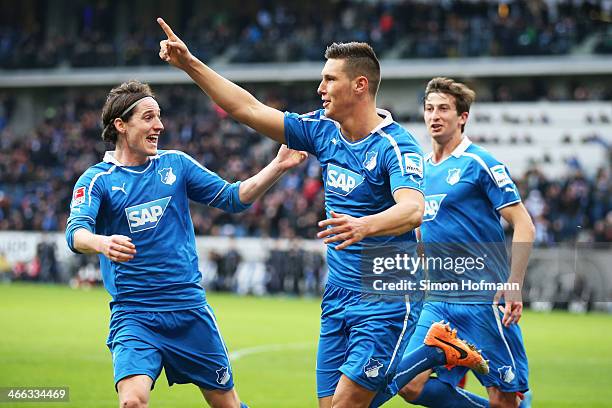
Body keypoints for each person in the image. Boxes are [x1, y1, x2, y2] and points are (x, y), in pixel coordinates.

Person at [157, 18, 486, 408]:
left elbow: (413, 210)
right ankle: (431, 351)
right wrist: (190, 63)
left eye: (330, 79)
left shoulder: (396, 147)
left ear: (359, 86)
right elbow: (247, 109)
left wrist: (364, 225)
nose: (320, 88)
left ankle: (430, 353)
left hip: (387, 292)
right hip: (339, 293)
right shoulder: (322, 130)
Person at [64, 80, 308, 408]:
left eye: (159, 117)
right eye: (148, 117)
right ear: (121, 125)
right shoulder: (98, 179)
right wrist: (101, 242)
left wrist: (278, 165)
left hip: (189, 310)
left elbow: (232, 197)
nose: (159, 125)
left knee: (228, 405)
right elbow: (75, 232)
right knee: (132, 402)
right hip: (135, 313)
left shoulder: (175, 165)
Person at [371, 77, 535, 408]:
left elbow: (524, 225)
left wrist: (514, 284)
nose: (435, 115)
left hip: (482, 300)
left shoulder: (479, 163)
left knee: (504, 398)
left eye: (444, 109)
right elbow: (423, 231)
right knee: (410, 387)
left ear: (462, 117)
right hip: (436, 301)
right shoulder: (418, 170)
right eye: (429, 108)